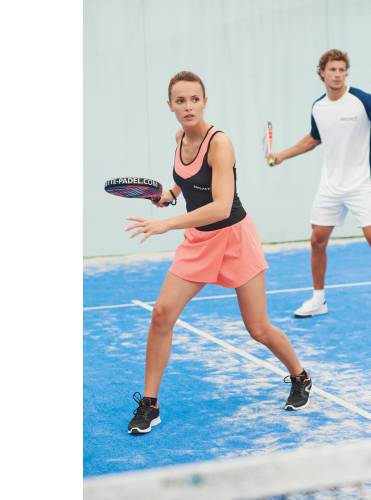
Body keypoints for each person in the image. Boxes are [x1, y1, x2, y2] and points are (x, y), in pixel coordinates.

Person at [124, 71, 312, 434]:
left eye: (195, 99)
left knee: (258, 328)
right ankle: (149, 404)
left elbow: (222, 206)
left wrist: (166, 223)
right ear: (170, 106)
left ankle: (300, 376)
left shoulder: (220, 144)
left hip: (235, 238)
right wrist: (170, 195)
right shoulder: (180, 138)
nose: (188, 106)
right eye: (180, 101)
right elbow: (187, 178)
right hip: (199, 241)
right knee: (161, 314)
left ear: (205, 102)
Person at [268, 49, 371, 327]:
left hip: (361, 185)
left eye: (342, 70)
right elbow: (314, 138)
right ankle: (318, 300)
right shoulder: (318, 107)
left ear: (346, 72)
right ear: (322, 72)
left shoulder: (363, 101)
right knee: (317, 241)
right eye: (332, 69)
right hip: (330, 187)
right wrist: (282, 154)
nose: (337, 74)